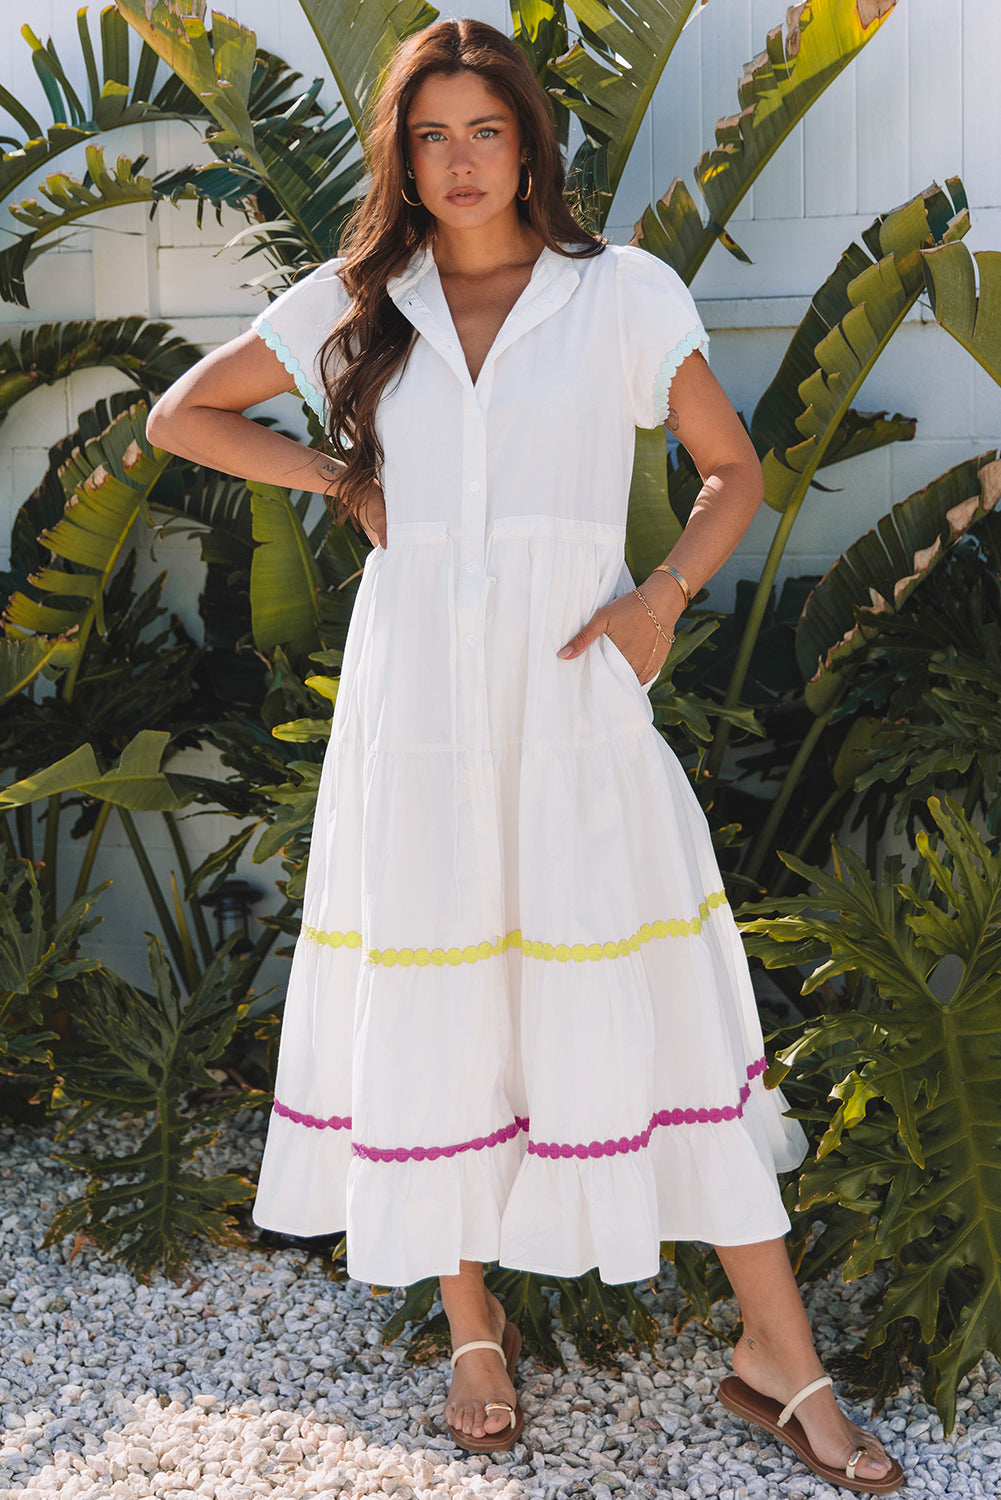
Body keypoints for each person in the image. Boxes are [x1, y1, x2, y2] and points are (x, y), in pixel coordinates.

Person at [146, 17, 902, 1493]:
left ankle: (780, 1355)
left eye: (484, 130)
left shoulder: (617, 291)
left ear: (529, 144)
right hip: (418, 712)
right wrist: (334, 473)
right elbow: (186, 414)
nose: (459, 161)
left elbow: (731, 470)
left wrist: (657, 601)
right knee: (441, 998)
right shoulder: (362, 301)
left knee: (658, 1007)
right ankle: (472, 1331)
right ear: (401, 156)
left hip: (570, 703)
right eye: (430, 135)